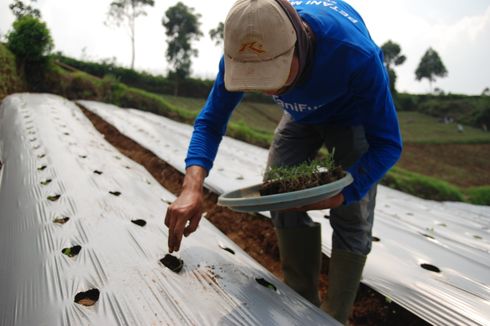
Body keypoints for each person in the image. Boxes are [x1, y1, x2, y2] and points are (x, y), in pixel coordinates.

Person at [164, 0, 402, 324]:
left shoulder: (355, 56)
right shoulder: (244, 48)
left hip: (352, 116)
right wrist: (191, 187)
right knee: (278, 193)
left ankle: (335, 316)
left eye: (272, 75)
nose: (265, 90)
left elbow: (388, 144)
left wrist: (347, 191)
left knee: (352, 214)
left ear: (299, 44)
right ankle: (302, 304)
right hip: (300, 115)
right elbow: (211, 121)